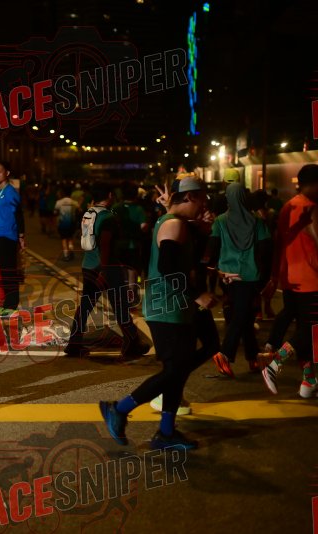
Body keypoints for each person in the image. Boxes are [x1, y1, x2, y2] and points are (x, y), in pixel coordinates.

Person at [100, 176, 217, 450]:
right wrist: (197, 294)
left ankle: (166, 432)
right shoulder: (174, 224)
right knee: (175, 370)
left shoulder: (178, 222)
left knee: (193, 358)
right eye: (202, 199)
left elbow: (189, 259)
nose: (204, 205)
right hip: (168, 307)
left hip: (179, 306)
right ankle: (120, 409)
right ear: (189, 197)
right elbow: (167, 267)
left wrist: (203, 229)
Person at [64, 182, 149, 359]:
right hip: (106, 268)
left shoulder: (89, 213)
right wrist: (105, 269)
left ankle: (74, 343)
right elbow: (105, 244)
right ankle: (132, 343)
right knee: (120, 306)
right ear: (109, 195)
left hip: (88, 265)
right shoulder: (108, 218)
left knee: (86, 306)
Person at [262, 164, 318, 398]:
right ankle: (275, 364)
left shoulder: (288, 207)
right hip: (311, 278)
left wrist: (276, 275)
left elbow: (279, 243)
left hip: (290, 278)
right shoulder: (310, 207)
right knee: (310, 330)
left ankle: (309, 382)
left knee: (308, 330)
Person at [208, 183, 272, 377]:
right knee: (242, 315)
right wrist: (266, 278)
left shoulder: (220, 221)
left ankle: (253, 357)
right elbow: (266, 251)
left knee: (244, 315)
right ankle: (225, 354)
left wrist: (215, 270)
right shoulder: (257, 222)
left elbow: (213, 247)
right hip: (249, 275)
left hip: (227, 276)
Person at [0, 161, 25, 317]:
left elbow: (19, 214)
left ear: (7, 173)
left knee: (9, 272)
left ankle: (11, 306)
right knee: (4, 272)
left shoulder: (10, 192)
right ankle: (8, 304)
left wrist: (21, 235)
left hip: (8, 236)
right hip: (0, 236)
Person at [53, 184, 79, 261]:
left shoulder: (59, 202)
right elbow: (78, 210)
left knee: (64, 239)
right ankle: (71, 251)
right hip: (72, 224)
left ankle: (66, 255)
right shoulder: (74, 202)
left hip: (63, 224)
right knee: (70, 238)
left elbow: (55, 212)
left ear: (63, 192)